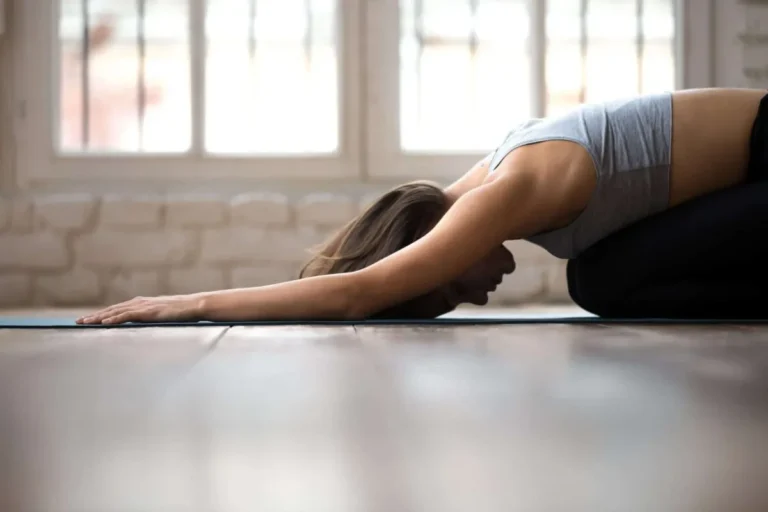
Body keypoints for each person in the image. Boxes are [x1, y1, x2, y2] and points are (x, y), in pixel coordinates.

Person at [78, 88, 768, 325]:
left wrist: (182, 303)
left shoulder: (505, 192)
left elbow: (359, 292)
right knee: (597, 279)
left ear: (439, 244)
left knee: (601, 279)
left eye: (447, 289)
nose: (477, 297)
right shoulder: (492, 177)